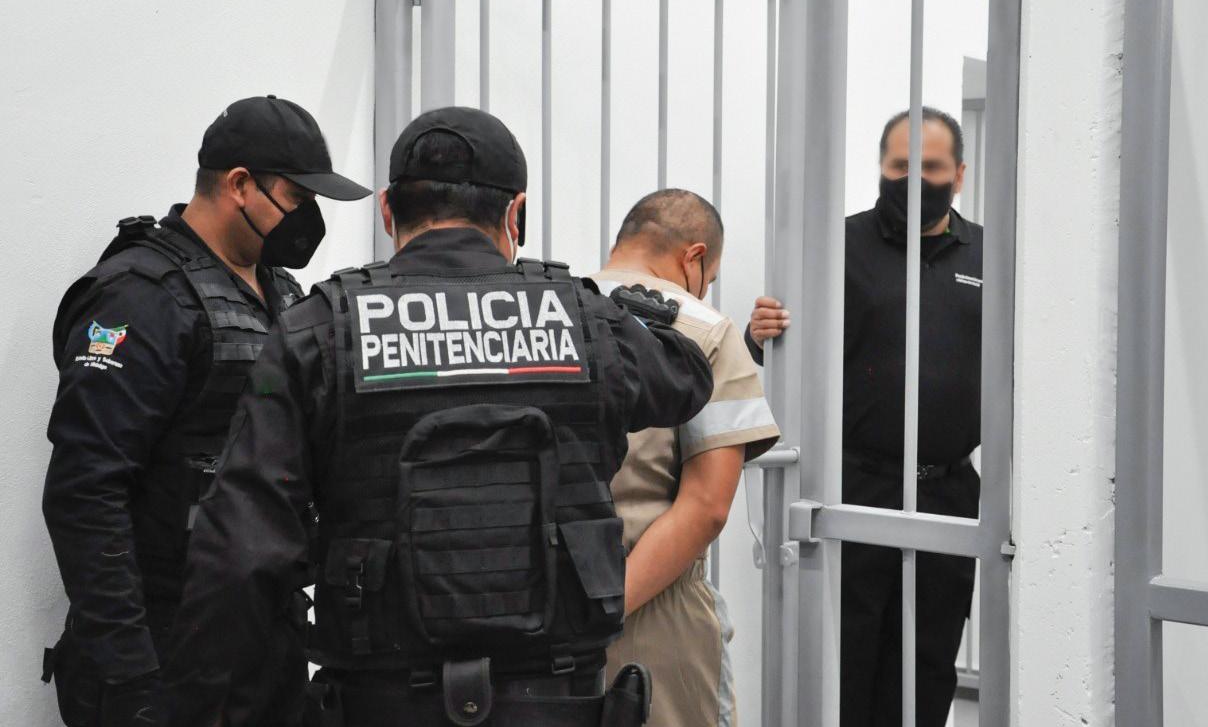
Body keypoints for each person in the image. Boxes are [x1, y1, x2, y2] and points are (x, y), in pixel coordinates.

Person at [163, 106, 715, 727]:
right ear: (515, 214)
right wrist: (639, 313)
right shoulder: (586, 320)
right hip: (557, 700)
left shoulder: (317, 330)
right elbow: (685, 382)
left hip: (379, 703)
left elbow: (240, 553)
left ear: (388, 212)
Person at [41, 95, 372, 727]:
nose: (309, 217)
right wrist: (131, 675)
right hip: (163, 645)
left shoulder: (282, 293)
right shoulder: (142, 297)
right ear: (240, 185)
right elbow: (86, 492)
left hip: (263, 637)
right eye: (297, 197)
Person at [748, 107, 982, 727]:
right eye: (900, 166)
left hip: (949, 494)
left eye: (931, 167)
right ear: (881, 167)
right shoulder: (836, 247)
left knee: (929, 661)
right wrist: (758, 334)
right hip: (855, 486)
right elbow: (781, 346)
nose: (914, 179)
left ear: (959, 175)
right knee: (848, 661)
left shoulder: (992, 257)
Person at [591, 189, 778, 727]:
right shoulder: (704, 330)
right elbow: (707, 508)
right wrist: (603, 612)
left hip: (543, 608)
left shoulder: (548, 310)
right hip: (655, 609)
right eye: (709, 277)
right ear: (693, 257)